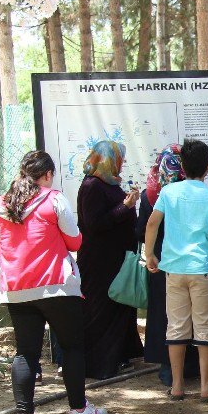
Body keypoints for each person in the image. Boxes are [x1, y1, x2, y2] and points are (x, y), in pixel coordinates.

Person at [0, 151, 107, 414]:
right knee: (72, 346)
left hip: (16, 287)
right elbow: (75, 240)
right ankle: (79, 410)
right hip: (56, 285)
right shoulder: (54, 199)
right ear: (46, 175)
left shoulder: (0, 204)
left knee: (25, 352)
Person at [145, 139, 208, 402]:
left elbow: (152, 223)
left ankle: (178, 386)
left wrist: (150, 255)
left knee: (177, 327)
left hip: (174, 271)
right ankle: (207, 388)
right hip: (203, 269)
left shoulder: (168, 193)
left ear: (182, 165)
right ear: (207, 168)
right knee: (205, 327)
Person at [77, 140, 143, 380]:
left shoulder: (109, 183)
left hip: (116, 258)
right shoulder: (92, 186)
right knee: (100, 310)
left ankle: (119, 357)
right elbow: (95, 224)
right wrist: (125, 208)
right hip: (99, 261)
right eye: (118, 160)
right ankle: (99, 364)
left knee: (118, 306)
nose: (121, 165)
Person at [136, 145, 200, 387]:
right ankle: (192, 366)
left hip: (161, 264)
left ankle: (168, 369)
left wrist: (151, 251)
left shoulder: (149, 195)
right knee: (191, 314)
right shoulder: (191, 192)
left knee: (165, 316)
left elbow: (141, 230)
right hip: (190, 262)